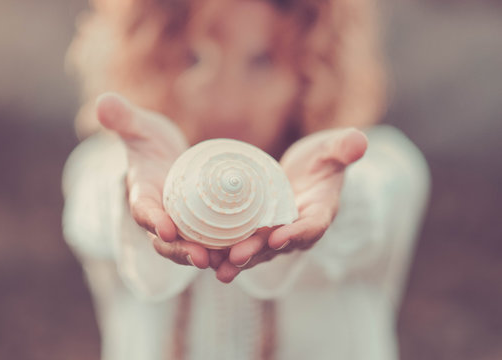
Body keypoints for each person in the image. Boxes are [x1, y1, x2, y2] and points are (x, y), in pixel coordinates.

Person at [62, 0, 430, 359]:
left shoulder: (379, 162)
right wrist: (136, 192)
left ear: (312, 63)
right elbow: (93, 210)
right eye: (195, 59)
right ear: (153, 56)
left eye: (262, 61)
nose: (227, 102)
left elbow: (381, 199)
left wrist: (329, 195)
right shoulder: (107, 165)